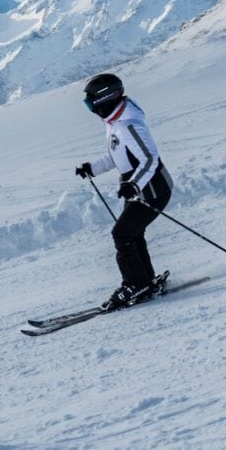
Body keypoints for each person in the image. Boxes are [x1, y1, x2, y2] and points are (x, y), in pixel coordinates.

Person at [74, 73, 174, 310]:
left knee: (122, 234)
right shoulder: (115, 123)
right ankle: (145, 282)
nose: (90, 108)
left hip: (152, 188)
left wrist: (134, 184)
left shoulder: (129, 125)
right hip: (141, 186)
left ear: (104, 99)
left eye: (91, 103)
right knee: (132, 233)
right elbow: (117, 154)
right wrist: (93, 168)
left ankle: (134, 284)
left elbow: (149, 159)